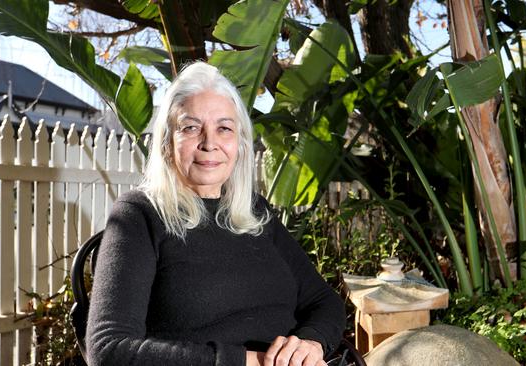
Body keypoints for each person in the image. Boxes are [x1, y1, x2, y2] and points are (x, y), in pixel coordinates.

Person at [86, 61, 346, 366]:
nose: (210, 143)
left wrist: (310, 343)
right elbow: (109, 351)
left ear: (240, 144)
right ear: (167, 143)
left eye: (224, 128)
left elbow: (324, 301)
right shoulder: (139, 216)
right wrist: (249, 362)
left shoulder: (254, 212)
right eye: (191, 127)